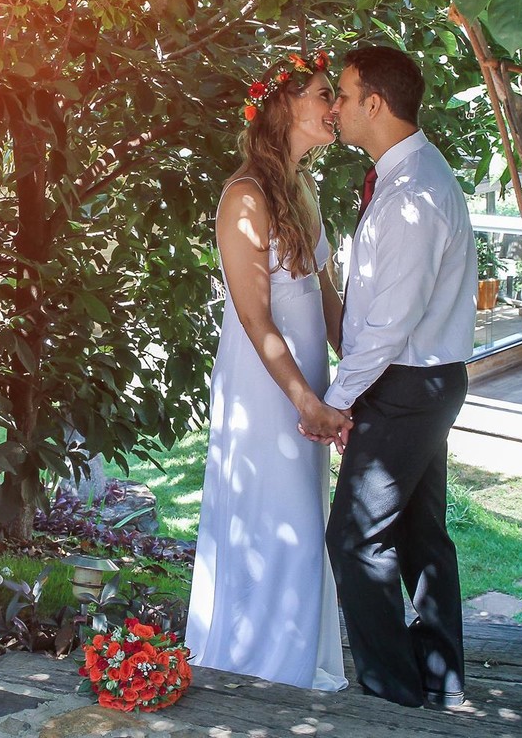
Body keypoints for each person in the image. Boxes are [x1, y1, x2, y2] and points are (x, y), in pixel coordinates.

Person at [316, 45, 477, 708]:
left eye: (344, 96)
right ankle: (438, 680)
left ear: (374, 104)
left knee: (354, 538)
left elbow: (389, 323)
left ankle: (390, 692)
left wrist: (335, 400)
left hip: (406, 384)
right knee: (417, 534)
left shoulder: (414, 192)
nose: (335, 109)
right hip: (422, 379)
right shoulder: (410, 173)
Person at [186, 50, 351, 691]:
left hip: (305, 390)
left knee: (305, 526)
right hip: (267, 393)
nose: (332, 105)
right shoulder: (245, 198)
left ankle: (290, 669)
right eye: (320, 93)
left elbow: (330, 309)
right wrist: (304, 400)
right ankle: (255, 676)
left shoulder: (302, 193)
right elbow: (257, 320)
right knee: (273, 522)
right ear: (283, 107)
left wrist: (366, 373)